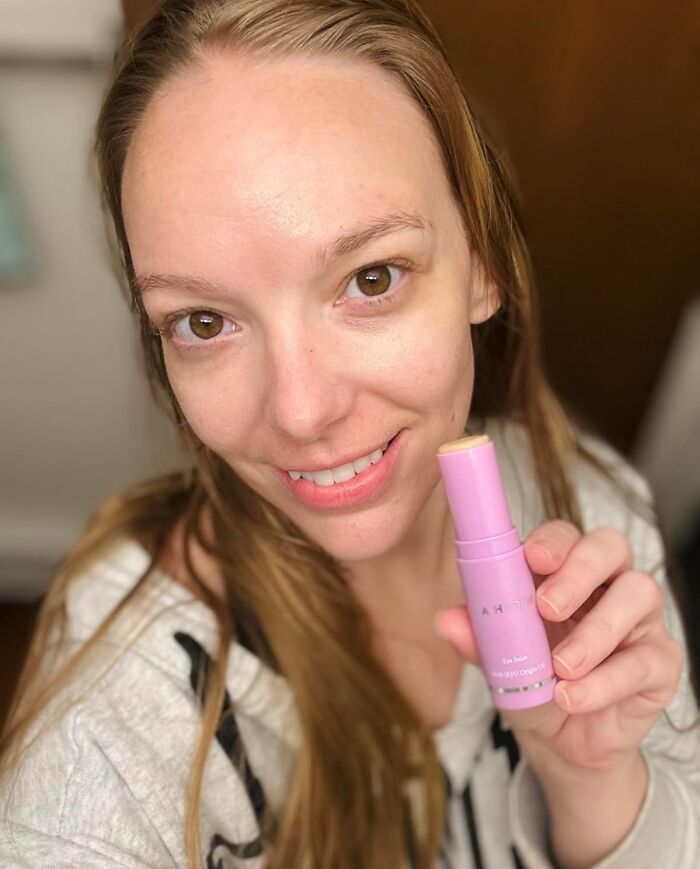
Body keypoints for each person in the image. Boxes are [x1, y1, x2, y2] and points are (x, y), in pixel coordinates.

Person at [1, 1, 697, 867]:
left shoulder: (592, 510)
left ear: (482, 262)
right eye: (206, 321)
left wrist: (591, 781)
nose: (300, 411)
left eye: (371, 277)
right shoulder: (119, 708)